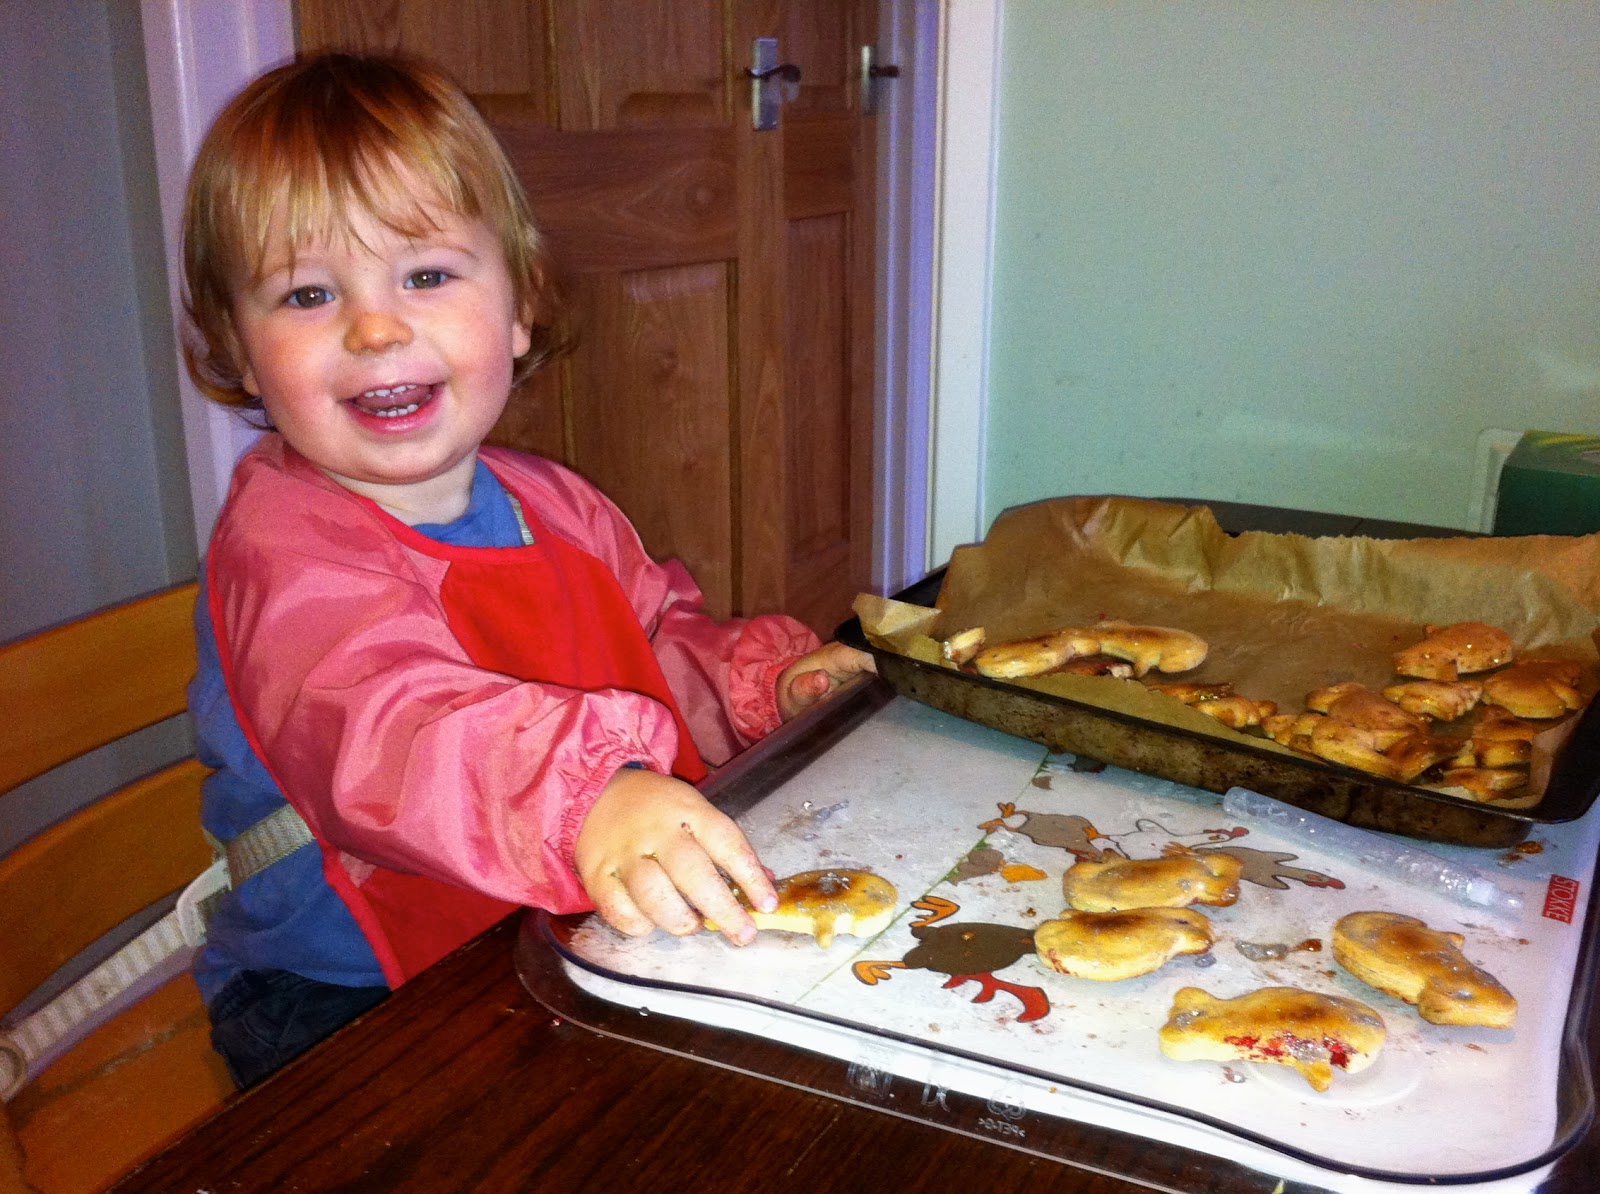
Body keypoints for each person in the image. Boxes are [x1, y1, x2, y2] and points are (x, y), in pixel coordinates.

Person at [180, 51, 874, 1089]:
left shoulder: (555, 503)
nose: (375, 327)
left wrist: (756, 685)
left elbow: (654, 646)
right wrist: (589, 795)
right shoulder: (282, 548)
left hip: (543, 924)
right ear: (237, 349)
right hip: (340, 993)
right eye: (309, 293)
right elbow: (387, 731)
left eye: (425, 275)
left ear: (519, 306)